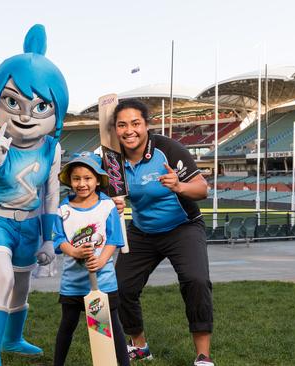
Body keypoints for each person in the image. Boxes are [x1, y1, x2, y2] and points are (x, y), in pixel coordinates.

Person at [0, 24, 69, 366]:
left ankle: (12, 339)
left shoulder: (52, 148)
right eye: (12, 101)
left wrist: (48, 240)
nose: (25, 115)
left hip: (29, 222)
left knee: (21, 284)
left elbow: (51, 192)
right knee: (4, 277)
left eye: (40, 107)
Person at [111, 99, 215, 366]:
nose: (129, 130)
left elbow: (202, 189)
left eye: (135, 123)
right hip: (143, 230)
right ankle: (140, 346)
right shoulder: (113, 159)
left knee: (196, 280)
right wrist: (112, 201)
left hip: (183, 227)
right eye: (122, 125)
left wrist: (180, 186)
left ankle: (203, 356)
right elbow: (104, 194)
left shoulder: (168, 149)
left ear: (146, 125)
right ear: (116, 129)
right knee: (121, 287)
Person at [52, 152, 130, 366]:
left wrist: (102, 260)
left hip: (103, 283)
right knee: (67, 326)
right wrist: (75, 252)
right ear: (69, 180)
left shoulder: (107, 207)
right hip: (73, 283)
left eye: (87, 178)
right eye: (76, 178)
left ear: (98, 180)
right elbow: (59, 239)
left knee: (109, 327)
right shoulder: (63, 209)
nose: (82, 183)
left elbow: (114, 239)